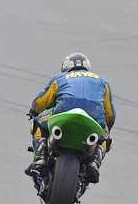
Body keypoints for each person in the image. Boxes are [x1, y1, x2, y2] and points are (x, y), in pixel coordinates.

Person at [25, 53, 116, 183]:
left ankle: (40, 157)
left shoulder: (60, 78)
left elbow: (41, 102)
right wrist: (106, 128)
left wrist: (33, 112)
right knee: (106, 139)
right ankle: (95, 162)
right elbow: (110, 114)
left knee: (37, 123)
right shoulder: (102, 82)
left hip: (63, 114)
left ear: (65, 67)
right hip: (93, 119)